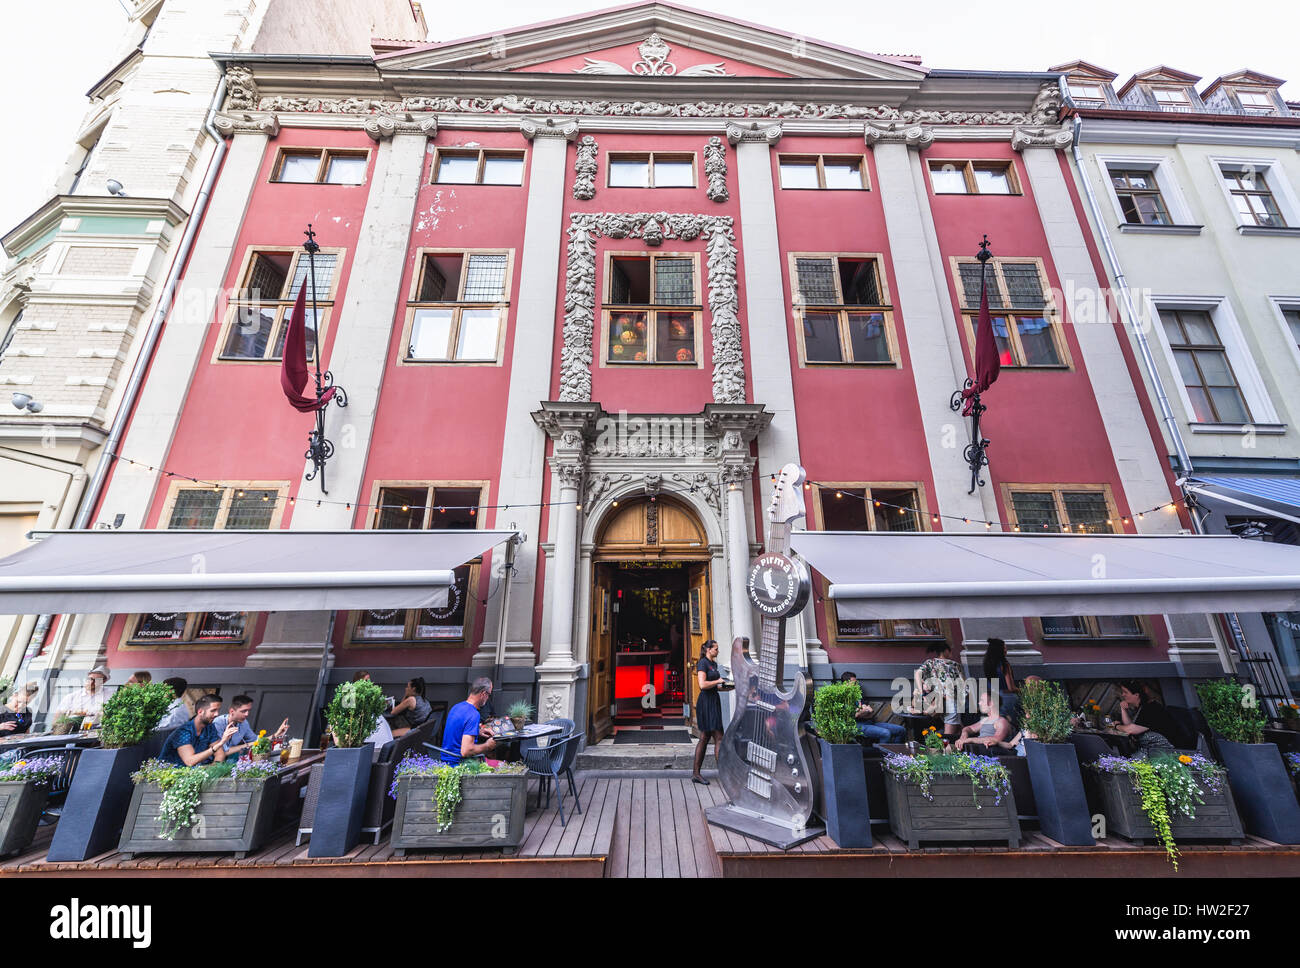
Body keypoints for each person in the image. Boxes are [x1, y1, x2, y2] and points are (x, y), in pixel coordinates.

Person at [158, 695, 238, 768]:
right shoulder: (183, 731)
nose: (217, 714)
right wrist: (221, 743)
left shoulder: (209, 727)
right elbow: (190, 761)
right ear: (200, 712)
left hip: (192, 774)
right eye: (213, 710)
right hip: (170, 776)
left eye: (218, 710)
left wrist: (212, 769)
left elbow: (220, 754)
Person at [439, 678, 497, 765]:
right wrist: (487, 746)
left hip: (446, 761)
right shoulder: (473, 714)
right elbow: (466, 751)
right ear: (483, 694)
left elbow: (458, 731)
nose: (488, 698)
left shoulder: (456, 707)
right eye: (489, 695)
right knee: (505, 765)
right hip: (459, 765)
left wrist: (478, 731)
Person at [692, 639, 726, 785]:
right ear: (708, 650)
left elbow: (714, 685)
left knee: (705, 737)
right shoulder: (703, 663)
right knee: (719, 737)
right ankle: (724, 774)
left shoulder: (713, 664)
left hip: (713, 700)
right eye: (716, 649)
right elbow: (702, 684)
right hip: (706, 702)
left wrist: (727, 687)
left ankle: (696, 773)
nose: (718, 651)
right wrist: (718, 681)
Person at [1113, 680, 1177, 755]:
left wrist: (1116, 726)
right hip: (1152, 749)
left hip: (1166, 752)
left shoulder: (1151, 708)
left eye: (1125, 692)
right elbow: (1130, 726)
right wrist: (1123, 709)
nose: (1123, 695)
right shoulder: (1142, 708)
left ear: (1136, 695)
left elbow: (1131, 730)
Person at [840, 671, 905, 745]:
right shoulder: (843, 698)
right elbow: (854, 715)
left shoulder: (858, 695)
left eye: (856, 682)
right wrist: (862, 712)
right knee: (886, 733)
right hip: (855, 726)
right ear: (845, 684)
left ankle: (897, 755)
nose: (857, 685)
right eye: (854, 683)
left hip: (869, 722)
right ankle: (883, 755)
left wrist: (863, 712)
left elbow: (870, 712)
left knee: (901, 730)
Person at [213, 695, 289, 758]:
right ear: (231, 711)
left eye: (249, 711)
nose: (247, 714)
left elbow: (255, 740)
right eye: (243, 711)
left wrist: (275, 735)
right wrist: (247, 745)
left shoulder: (244, 723)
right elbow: (224, 751)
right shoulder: (218, 723)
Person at [915, 643, 964, 738]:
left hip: (938, 702)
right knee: (949, 737)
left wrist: (922, 693)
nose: (951, 653)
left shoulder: (930, 663)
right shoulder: (954, 665)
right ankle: (945, 751)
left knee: (958, 729)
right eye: (950, 651)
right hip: (951, 701)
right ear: (946, 651)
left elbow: (918, 673)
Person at [982, 638, 1019, 722]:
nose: (1006, 650)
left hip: (993, 698)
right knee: (1011, 724)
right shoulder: (1004, 664)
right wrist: (1023, 690)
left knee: (997, 723)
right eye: (1004, 648)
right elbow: (1011, 688)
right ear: (999, 650)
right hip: (1007, 698)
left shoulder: (987, 665)